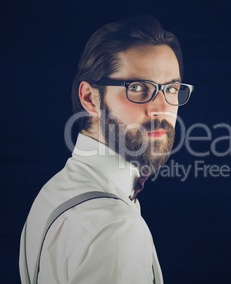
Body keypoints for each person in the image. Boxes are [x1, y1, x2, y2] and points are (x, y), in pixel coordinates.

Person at [19, 15, 193, 284]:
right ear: (90, 98)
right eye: (137, 87)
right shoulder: (117, 230)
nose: (161, 108)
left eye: (171, 88)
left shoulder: (53, 190)